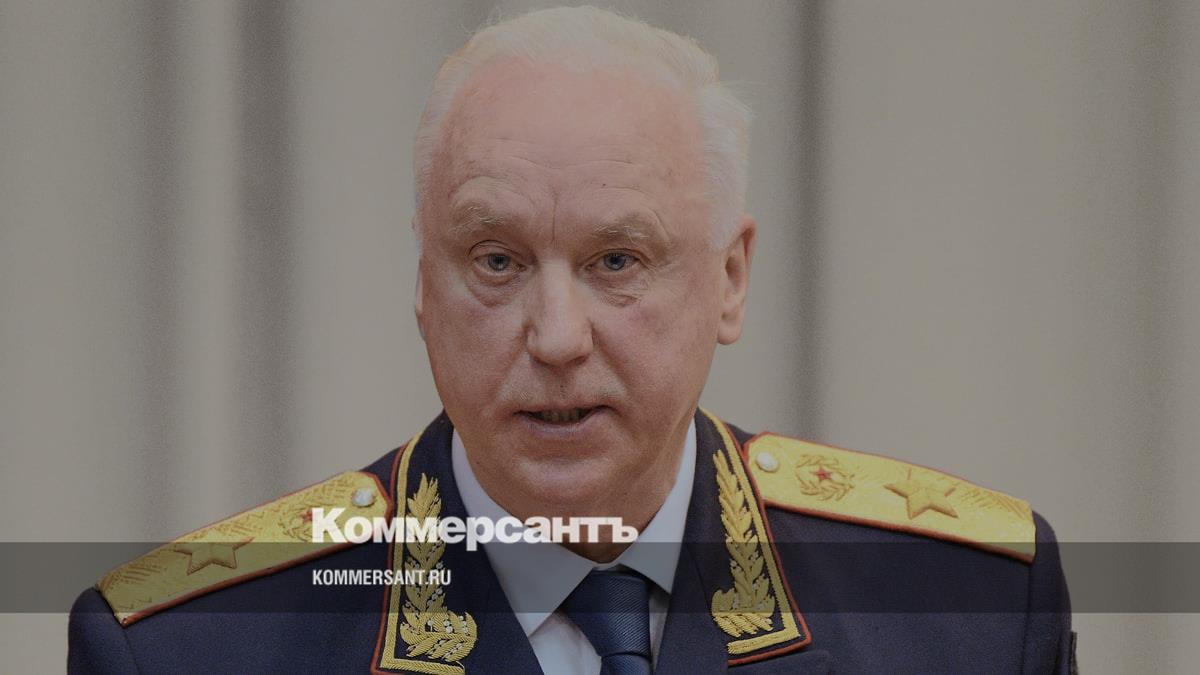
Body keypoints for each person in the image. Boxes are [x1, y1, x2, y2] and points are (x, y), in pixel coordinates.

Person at [68, 6, 1073, 673]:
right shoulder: (189, 646)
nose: (555, 338)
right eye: (496, 260)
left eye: (618, 261)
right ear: (422, 281)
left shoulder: (970, 606)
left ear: (730, 279)